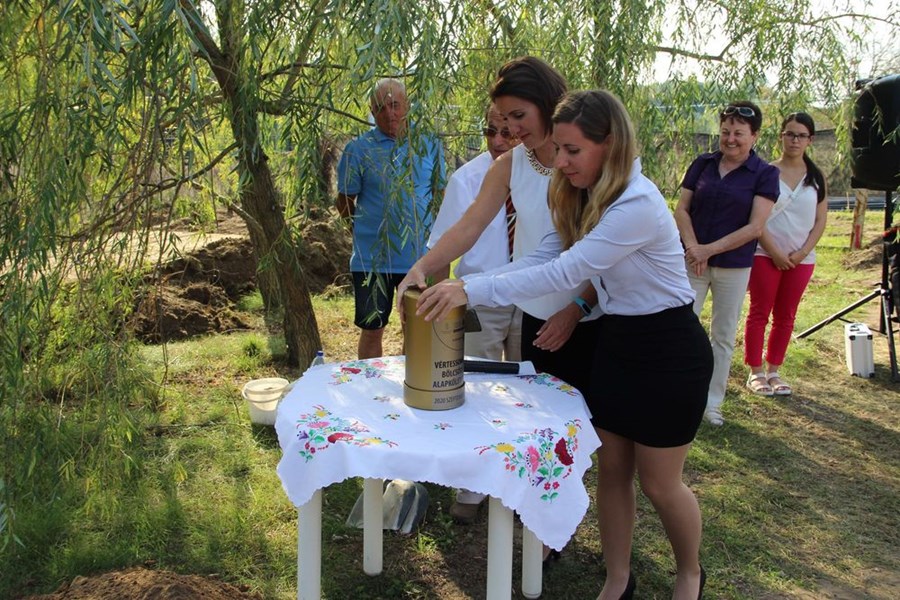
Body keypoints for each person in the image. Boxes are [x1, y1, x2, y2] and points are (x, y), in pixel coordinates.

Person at [415, 90, 712, 600]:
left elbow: (566, 271)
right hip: (619, 344)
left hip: (669, 351)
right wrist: (470, 281)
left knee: (660, 484)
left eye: (573, 150)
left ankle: (689, 573)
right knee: (612, 472)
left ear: (609, 144)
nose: (561, 161)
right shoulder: (584, 195)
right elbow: (541, 257)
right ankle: (617, 579)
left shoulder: (636, 205)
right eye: (560, 149)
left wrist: (469, 288)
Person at [397, 56, 601, 403]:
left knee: (585, 418)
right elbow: (469, 226)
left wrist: (576, 309)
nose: (513, 131)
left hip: (586, 317)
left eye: (518, 116)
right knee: (535, 414)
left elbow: (604, 252)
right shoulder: (508, 165)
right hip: (535, 316)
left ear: (547, 102)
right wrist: (422, 266)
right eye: (505, 120)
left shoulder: (584, 163)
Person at [427, 104, 522, 524]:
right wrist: (439, 312)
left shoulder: (544, 175)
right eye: (490, 131)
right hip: (479, 299)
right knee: (478, 387)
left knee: (527, 390)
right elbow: (443, 245)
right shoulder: (466, 179)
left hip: (534, 298)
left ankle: (523, 481)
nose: (498, 141)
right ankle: (472, 486)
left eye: (508, 132)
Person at [673, 101, 780, 426]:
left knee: (722, 335)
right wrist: (694, 247)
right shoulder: (702, 164)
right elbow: (682, 209)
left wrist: (709, 250)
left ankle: (711, 404)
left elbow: (755, 227)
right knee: (681, 328)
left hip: (733, 265)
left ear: (754, 136)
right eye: (725, 132)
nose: (730, 139)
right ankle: (677, 395)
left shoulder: (765, 174)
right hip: (693, 261)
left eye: (738, 133)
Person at [336, 78, 446, 359]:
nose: (390, 113)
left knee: (417, 328)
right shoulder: (358, 149)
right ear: (372, 112)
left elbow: (440, 196)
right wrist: (361, 232)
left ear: (407, 105)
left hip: (419, 260)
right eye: (381, 108)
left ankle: (410, 380)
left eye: (395, 105)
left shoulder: (428, 144)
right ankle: (369, 382)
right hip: (372, 261)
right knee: (372, 329)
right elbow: (344, 201)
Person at [744, 112, 827, 396]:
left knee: (786, 316)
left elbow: (820, 220)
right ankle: (755, 372)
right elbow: (757, 219)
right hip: (765, 254)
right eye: (790, 134)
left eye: (801, 136)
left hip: (801, 259)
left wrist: (802, 252)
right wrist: (775, 252)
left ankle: (774, 370)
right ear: (781, 136)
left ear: (810, 140)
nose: (795, 140)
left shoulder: (816, 177)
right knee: (759, 312)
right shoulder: (766, 172)